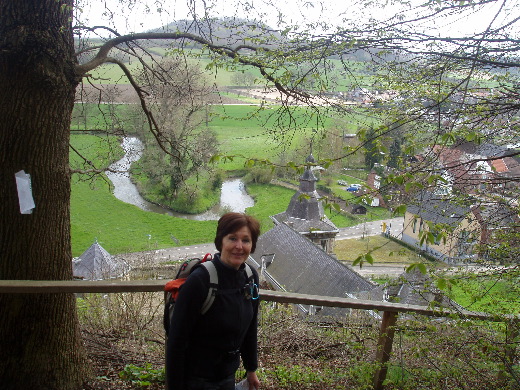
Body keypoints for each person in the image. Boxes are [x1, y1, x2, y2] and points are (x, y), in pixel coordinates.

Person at [166, 212, 261, 390]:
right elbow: (176, 342)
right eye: (232, 238)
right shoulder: (201, 280)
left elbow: (250, 327)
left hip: (227, 376)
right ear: (220, 241)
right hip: (195, 379)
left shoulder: (250, 277)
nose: (239, 246)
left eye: (246, 240)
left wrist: (251, 368)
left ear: (252, 244)